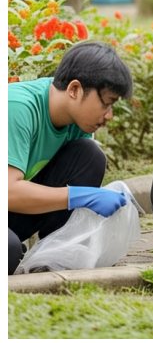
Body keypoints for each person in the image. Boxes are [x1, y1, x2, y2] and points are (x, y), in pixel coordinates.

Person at [8, 41, 134, 274]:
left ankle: (51, 257)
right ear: (74, 89)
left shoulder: (77, 123)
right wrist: (79, 196)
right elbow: (8, 192)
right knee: (7, 249)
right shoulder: (17, 107)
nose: (109, 115)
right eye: (106, 103)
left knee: (90, 155)